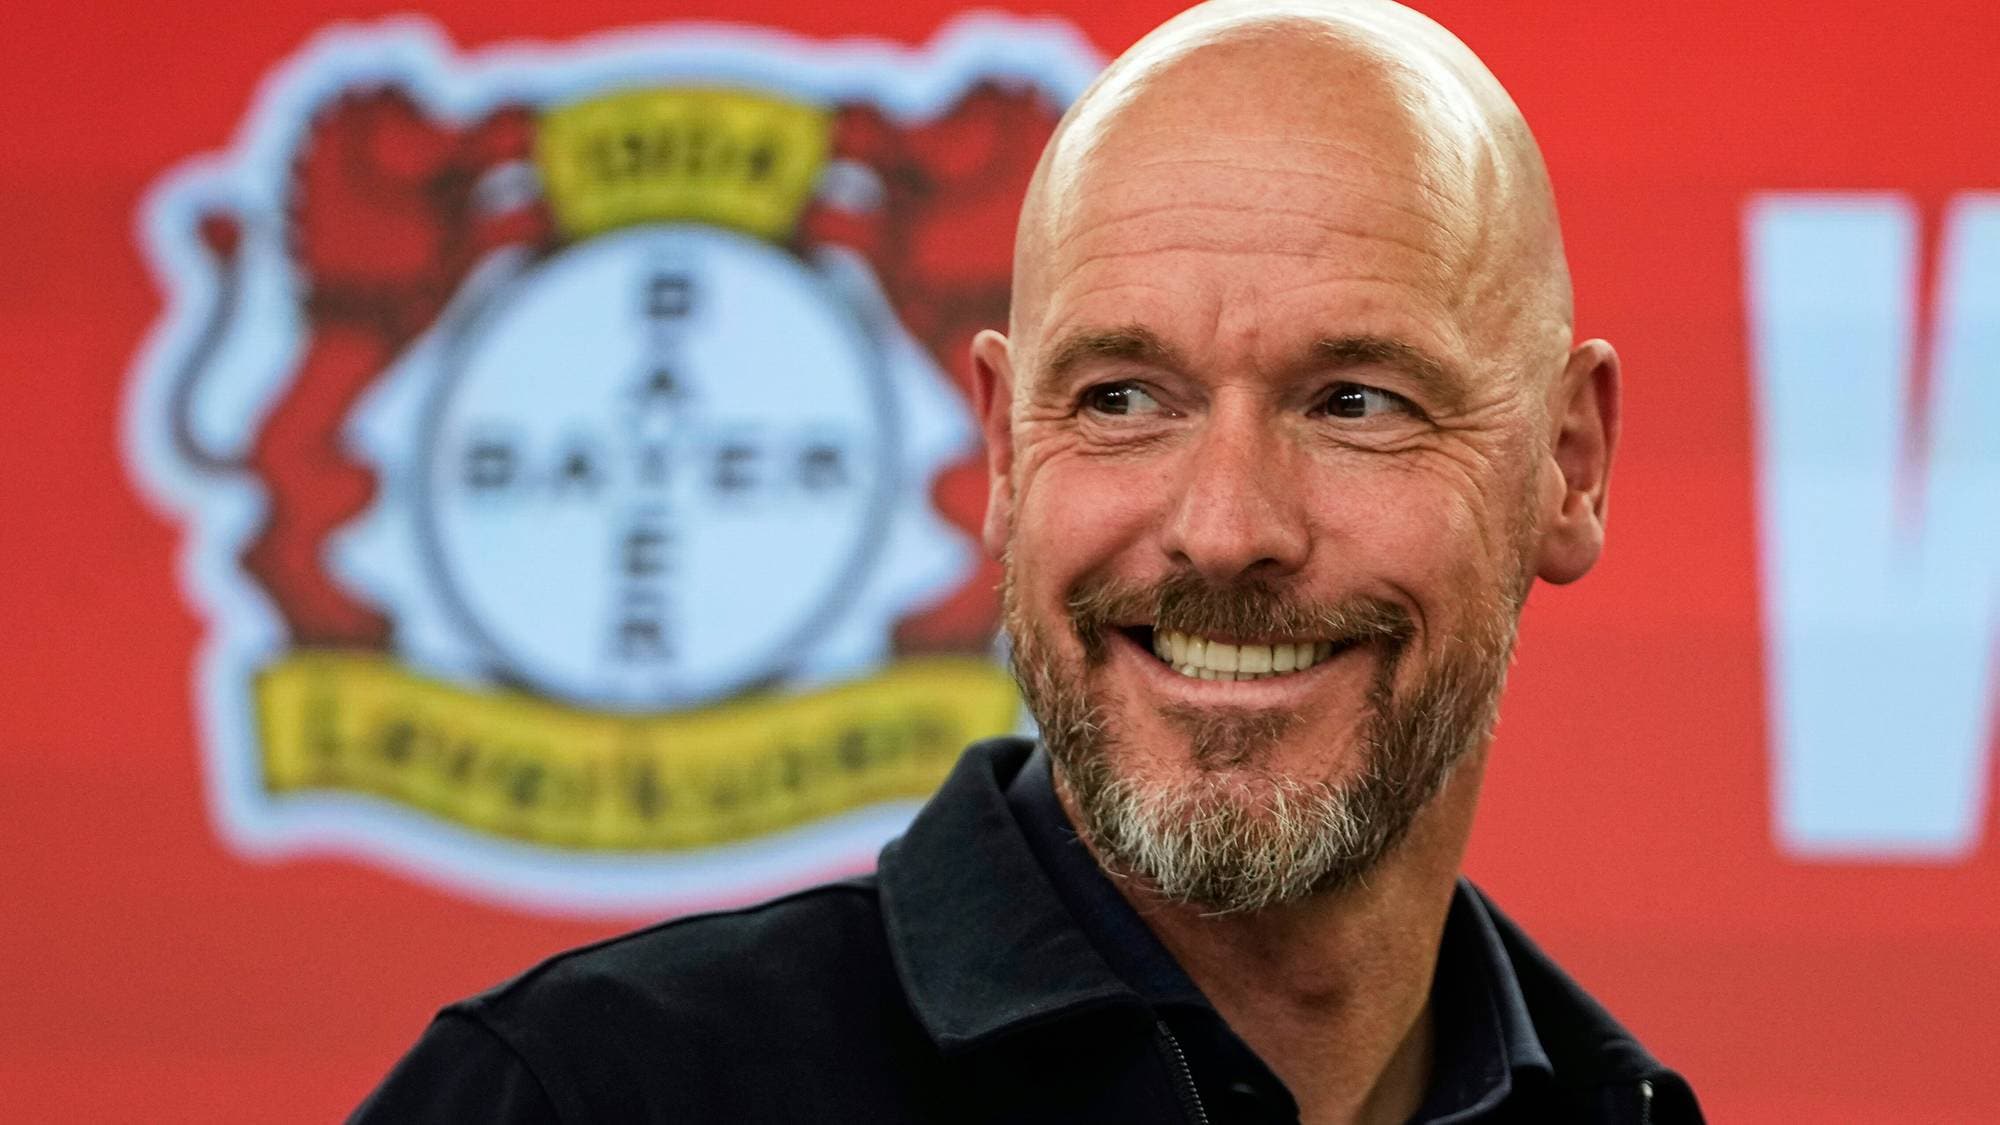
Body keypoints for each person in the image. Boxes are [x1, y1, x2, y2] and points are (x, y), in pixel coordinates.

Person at [353, 1, 1703, 1121]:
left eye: (1355, 401)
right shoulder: (582, 1097)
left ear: (1568, 465)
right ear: (1005, 451)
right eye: (1123, 397)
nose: (1226, 526)